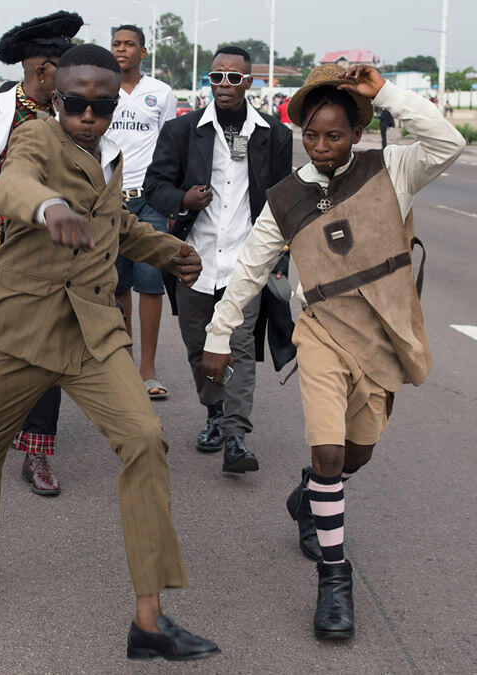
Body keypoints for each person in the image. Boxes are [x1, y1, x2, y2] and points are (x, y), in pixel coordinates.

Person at [0, 44, 219, 662]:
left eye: (102, 104)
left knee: (145, 439)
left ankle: (149, 619)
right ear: (58, 99)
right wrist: (47, 206)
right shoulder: (38, 137)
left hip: (93, 331)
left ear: (117, 102)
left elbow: (115, 226)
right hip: (26, 326)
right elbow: (12, 183)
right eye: (78, 104)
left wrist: (170, 252)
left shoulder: (112, 154)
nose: (89, 115)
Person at [201, 64, 464, 640]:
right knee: (327, 455)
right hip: (320, 333)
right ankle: (334, 580)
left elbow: (448, 141)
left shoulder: (392, 169)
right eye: (312, 136)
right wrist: (218, 335)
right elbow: (249, 269)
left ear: (357, 133)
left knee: (352, 459)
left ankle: (310, 493)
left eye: (335, 135)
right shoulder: (287, 197)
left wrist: (387, 93)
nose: (321, 147)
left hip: (382, 340)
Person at [143, 45, 293, 474]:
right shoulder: (182, 131)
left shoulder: (273, 134)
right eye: (216, 77)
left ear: (249, 82)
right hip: (194, 259)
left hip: (247, 261)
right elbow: (156, 186)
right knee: (198, 346)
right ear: (209, 81)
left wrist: (280, 259)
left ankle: (235, 436)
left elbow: (283, 198)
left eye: (233, 77)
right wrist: (183, 200)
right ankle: (213, 414)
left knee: (240, 347)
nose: (223, 84)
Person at [0, 10, 83, 496]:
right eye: (63, 67)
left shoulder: (76, 114)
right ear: (43, 69)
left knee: (46, 351)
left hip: (52, 258)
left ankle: (38, 453)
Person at [106, 24, 177, 400]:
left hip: (149, 198)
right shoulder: (100, 87)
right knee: (117, 286)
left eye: (129, 44)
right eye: (116, 43)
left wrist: (169, 201)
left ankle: (147, 369)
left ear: (143, 52)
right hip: (109, 199)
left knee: (150, 283)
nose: (121, 50)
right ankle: (124, 364)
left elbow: (170, 146)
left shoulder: (160, 93)